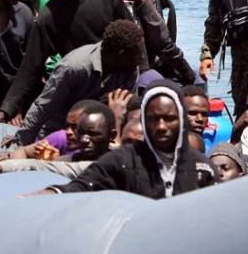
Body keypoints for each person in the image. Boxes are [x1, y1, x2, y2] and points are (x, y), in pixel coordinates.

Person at [0, 0, 133, 123]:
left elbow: (133, 38)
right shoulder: (48, 16)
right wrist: (6, 110)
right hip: (85, 87)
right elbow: (30, 68)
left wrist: (142, 74)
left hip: (121, 79)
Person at [27, 80, 216, 197]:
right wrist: (52, 192)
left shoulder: (202, 168)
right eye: (152, 119)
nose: (160, 126)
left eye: (169, 118)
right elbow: (85, 183)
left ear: (181, 120)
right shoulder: (123, 160)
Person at [13, 19, 142, 145]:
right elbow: (43, 107)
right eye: (139, 53)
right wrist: (19, 143)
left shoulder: (130, 68)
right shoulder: (74, 67)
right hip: (61, 133)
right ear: (121, 54)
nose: (142, 57)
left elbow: (129, 111)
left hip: (99, 137)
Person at [0, 102, 116, 181]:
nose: (83, 138)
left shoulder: (121, 162)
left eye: (93, 133)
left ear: (112, 136)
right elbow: (38, 165)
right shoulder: (63, 153)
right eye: (80, 131)